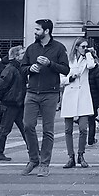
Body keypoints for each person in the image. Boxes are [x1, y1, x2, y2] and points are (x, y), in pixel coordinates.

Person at [21, 19, 67, 170]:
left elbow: (66, 69)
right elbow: (21, 68)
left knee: (48, 130)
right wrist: (29, 69)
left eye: (38, 29)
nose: (35, 32)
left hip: (50, 93)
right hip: (32, 91)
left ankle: (45, 162)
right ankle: (34, 158)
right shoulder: (31, 48)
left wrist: (50, 64)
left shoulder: (59, 48)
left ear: (46, 31)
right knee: (28, 125)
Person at [58, 40, 98, 169]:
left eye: (86, 46)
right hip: (70, 94)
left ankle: (81, 155)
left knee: (83, 128)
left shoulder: (87, 59)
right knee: (68, 129)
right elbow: (60, 79)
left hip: (83, 96)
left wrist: (89, 54)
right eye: (83, 47)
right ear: (76, 47)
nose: (85, 48)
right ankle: (71, 156)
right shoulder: (68, 60)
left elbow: (92, 66)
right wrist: (70, 78)